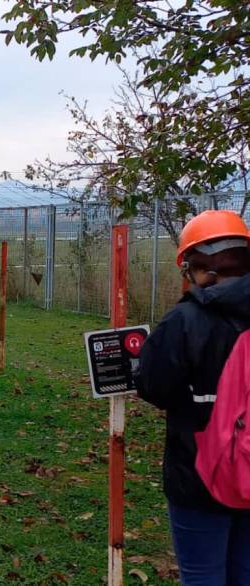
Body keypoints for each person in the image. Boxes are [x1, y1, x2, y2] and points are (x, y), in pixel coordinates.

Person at [136, 209, 250, 585]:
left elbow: (153, 386)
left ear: (196, 267)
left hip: (198, 475)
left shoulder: (184, 322)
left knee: (202, 574)